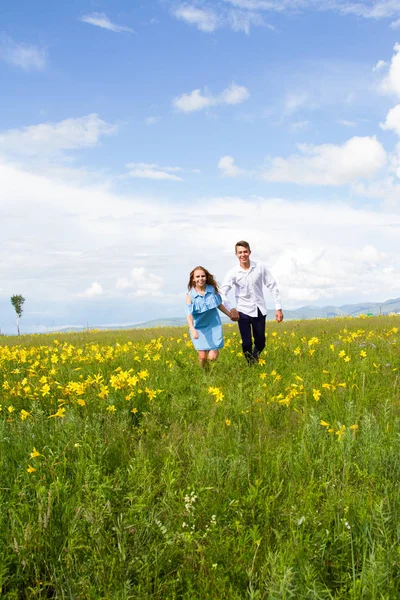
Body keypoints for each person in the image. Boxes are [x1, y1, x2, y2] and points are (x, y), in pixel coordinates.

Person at [220, 241, 283, 364]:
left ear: (249, 252)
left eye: (245, 252)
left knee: (261, 342)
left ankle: (254, 358)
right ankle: (251, 364)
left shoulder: (260, 267)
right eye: (240, 252)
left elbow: (272, 286)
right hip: (242, 311)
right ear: (236, 254)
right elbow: (222, 292)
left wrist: (278, 308)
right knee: (247, 343)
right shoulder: (233, 272)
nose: (243, 255)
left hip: (259, 309)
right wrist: (231, 308)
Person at [186, 266, 233, 368]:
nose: (200, 278)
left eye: (203, 276)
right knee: (202, 357)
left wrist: (230, 315)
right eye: (197, 276)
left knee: (212, 357)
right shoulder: (190, 295)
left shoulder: (212, 290)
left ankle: (213, 370)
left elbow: (219, 305)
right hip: (199, 329)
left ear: (206, 277)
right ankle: (206, 375)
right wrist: (192, 329)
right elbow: (189, 315)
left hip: (214, 326)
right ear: (193, 279)